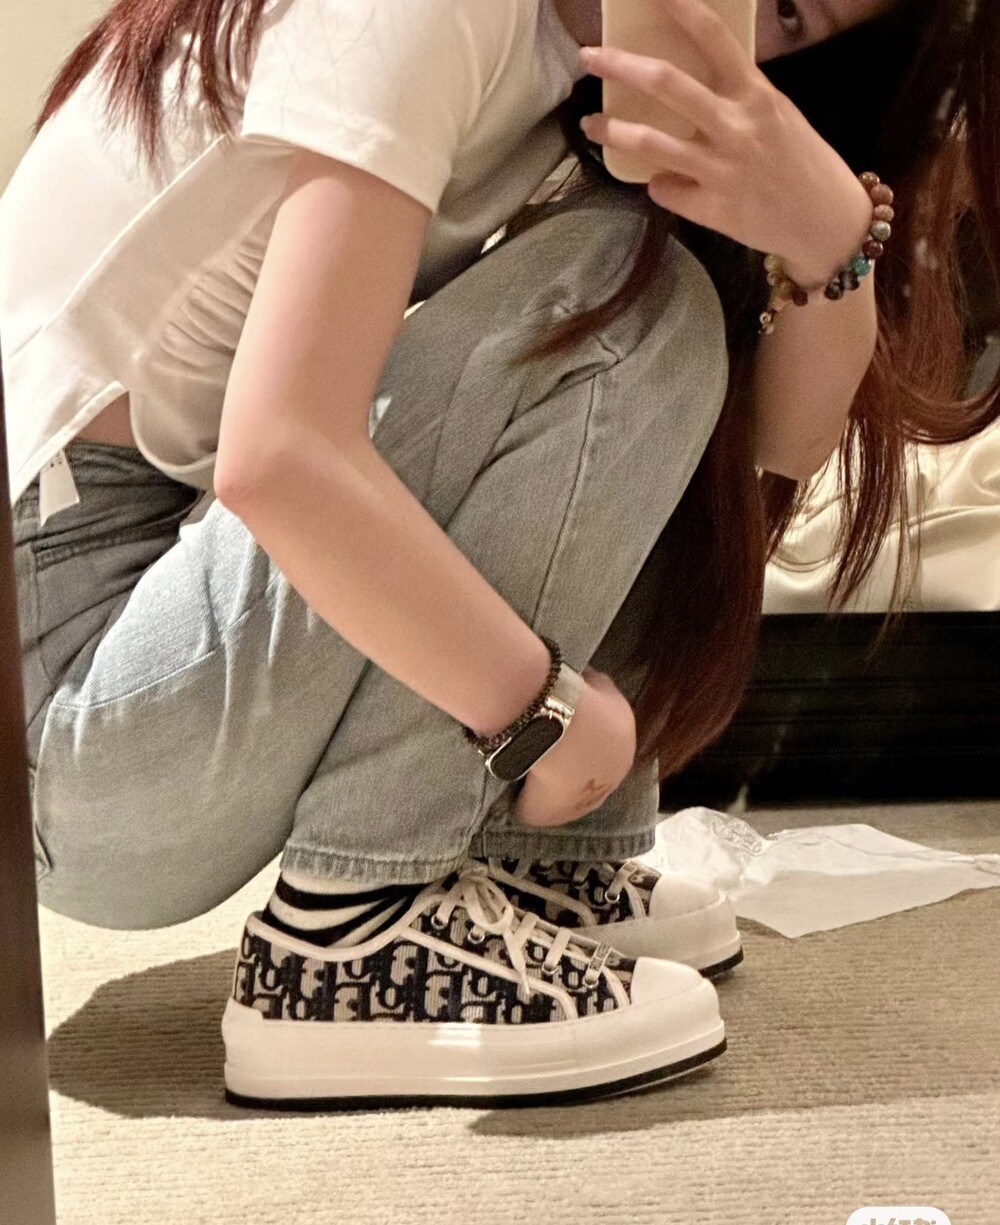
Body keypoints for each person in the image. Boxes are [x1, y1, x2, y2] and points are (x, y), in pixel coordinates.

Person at [2, 0, 997, 1109]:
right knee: (614, 299)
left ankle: (532, 868)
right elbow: (280, 457)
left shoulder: (566, 73)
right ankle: (350, 938)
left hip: (119, 679)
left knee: (655, 292)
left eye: (792, 17)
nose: (740, 12)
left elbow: (782, 439)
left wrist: (831, 237)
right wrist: (541, 710)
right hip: (63, 708)